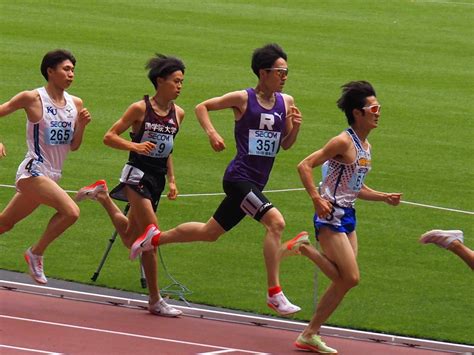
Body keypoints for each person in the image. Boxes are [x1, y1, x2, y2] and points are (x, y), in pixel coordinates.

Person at [130, 43, 305, 316]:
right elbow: (203, 107)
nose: (284, 76)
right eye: (280, 71)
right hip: (238, 179)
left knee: (209, 232)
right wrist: (212, 134)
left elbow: (286, 144)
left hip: (257, 183)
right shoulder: (244, 99)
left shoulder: (287, 102)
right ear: (263, 72)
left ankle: (153, 240)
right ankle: (274, 293)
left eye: (286, 72)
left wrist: (295, 128)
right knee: (276, 223)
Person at [282, 81, 402, 353]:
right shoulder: (342, 141)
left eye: (378, 107)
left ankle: (309, 332)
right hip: (330, 216)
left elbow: (356, 188)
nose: (378, 112)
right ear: (358, 112)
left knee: (344, 279)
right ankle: (309, 331)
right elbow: (304, 165)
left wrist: (383, 197)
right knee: (350, 278)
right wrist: (316, 198)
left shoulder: (366, 147)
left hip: (348, 216)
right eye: (374, 108)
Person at [75, 54, 185, 317]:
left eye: (182, 82)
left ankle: (102, 195)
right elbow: (109, 136)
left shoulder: (178, 114)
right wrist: (133, 145)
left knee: (128, 238)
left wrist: (172, 180)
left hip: (157, 178)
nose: (180, 86)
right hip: (137, 174)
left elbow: (168, 149)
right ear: (160, 81)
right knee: (151, 236)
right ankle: (155, 300)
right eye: (176, 81)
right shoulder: (139, 109)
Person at [0, 49, 91, 284]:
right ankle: (36, 253)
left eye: (73, 70)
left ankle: (35, 253)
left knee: (5, 223)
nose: (71, 74)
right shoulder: (32, 98)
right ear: (50, 71)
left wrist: (81, 126)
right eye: (66, 69)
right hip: (33, 171)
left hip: (53, 175)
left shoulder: (76, 103)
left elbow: (73, 146)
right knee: (71, 212)